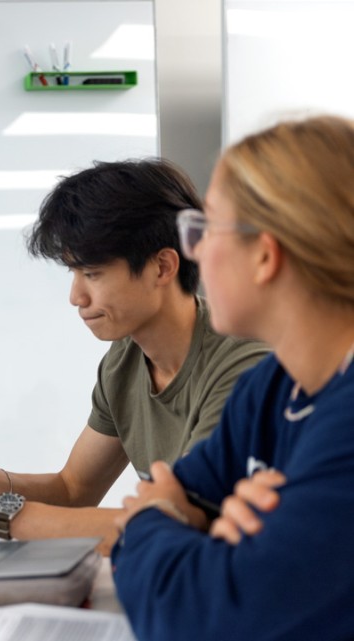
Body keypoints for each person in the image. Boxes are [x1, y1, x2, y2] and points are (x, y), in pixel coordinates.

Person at [0, 159, 268, 554]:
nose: (76, 297)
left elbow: (180, 525)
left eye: (92, 274)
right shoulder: (125, 358)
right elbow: (74, 489)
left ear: (162, 266)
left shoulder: (244, 365)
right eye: (73, 274)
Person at [112, 115, 354, 640]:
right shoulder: (268, 390)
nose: (193, 252)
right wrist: (207, 535)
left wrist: (153, 520)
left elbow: (207, 622)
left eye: (206, 229)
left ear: (265, 255)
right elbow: (173, 505)